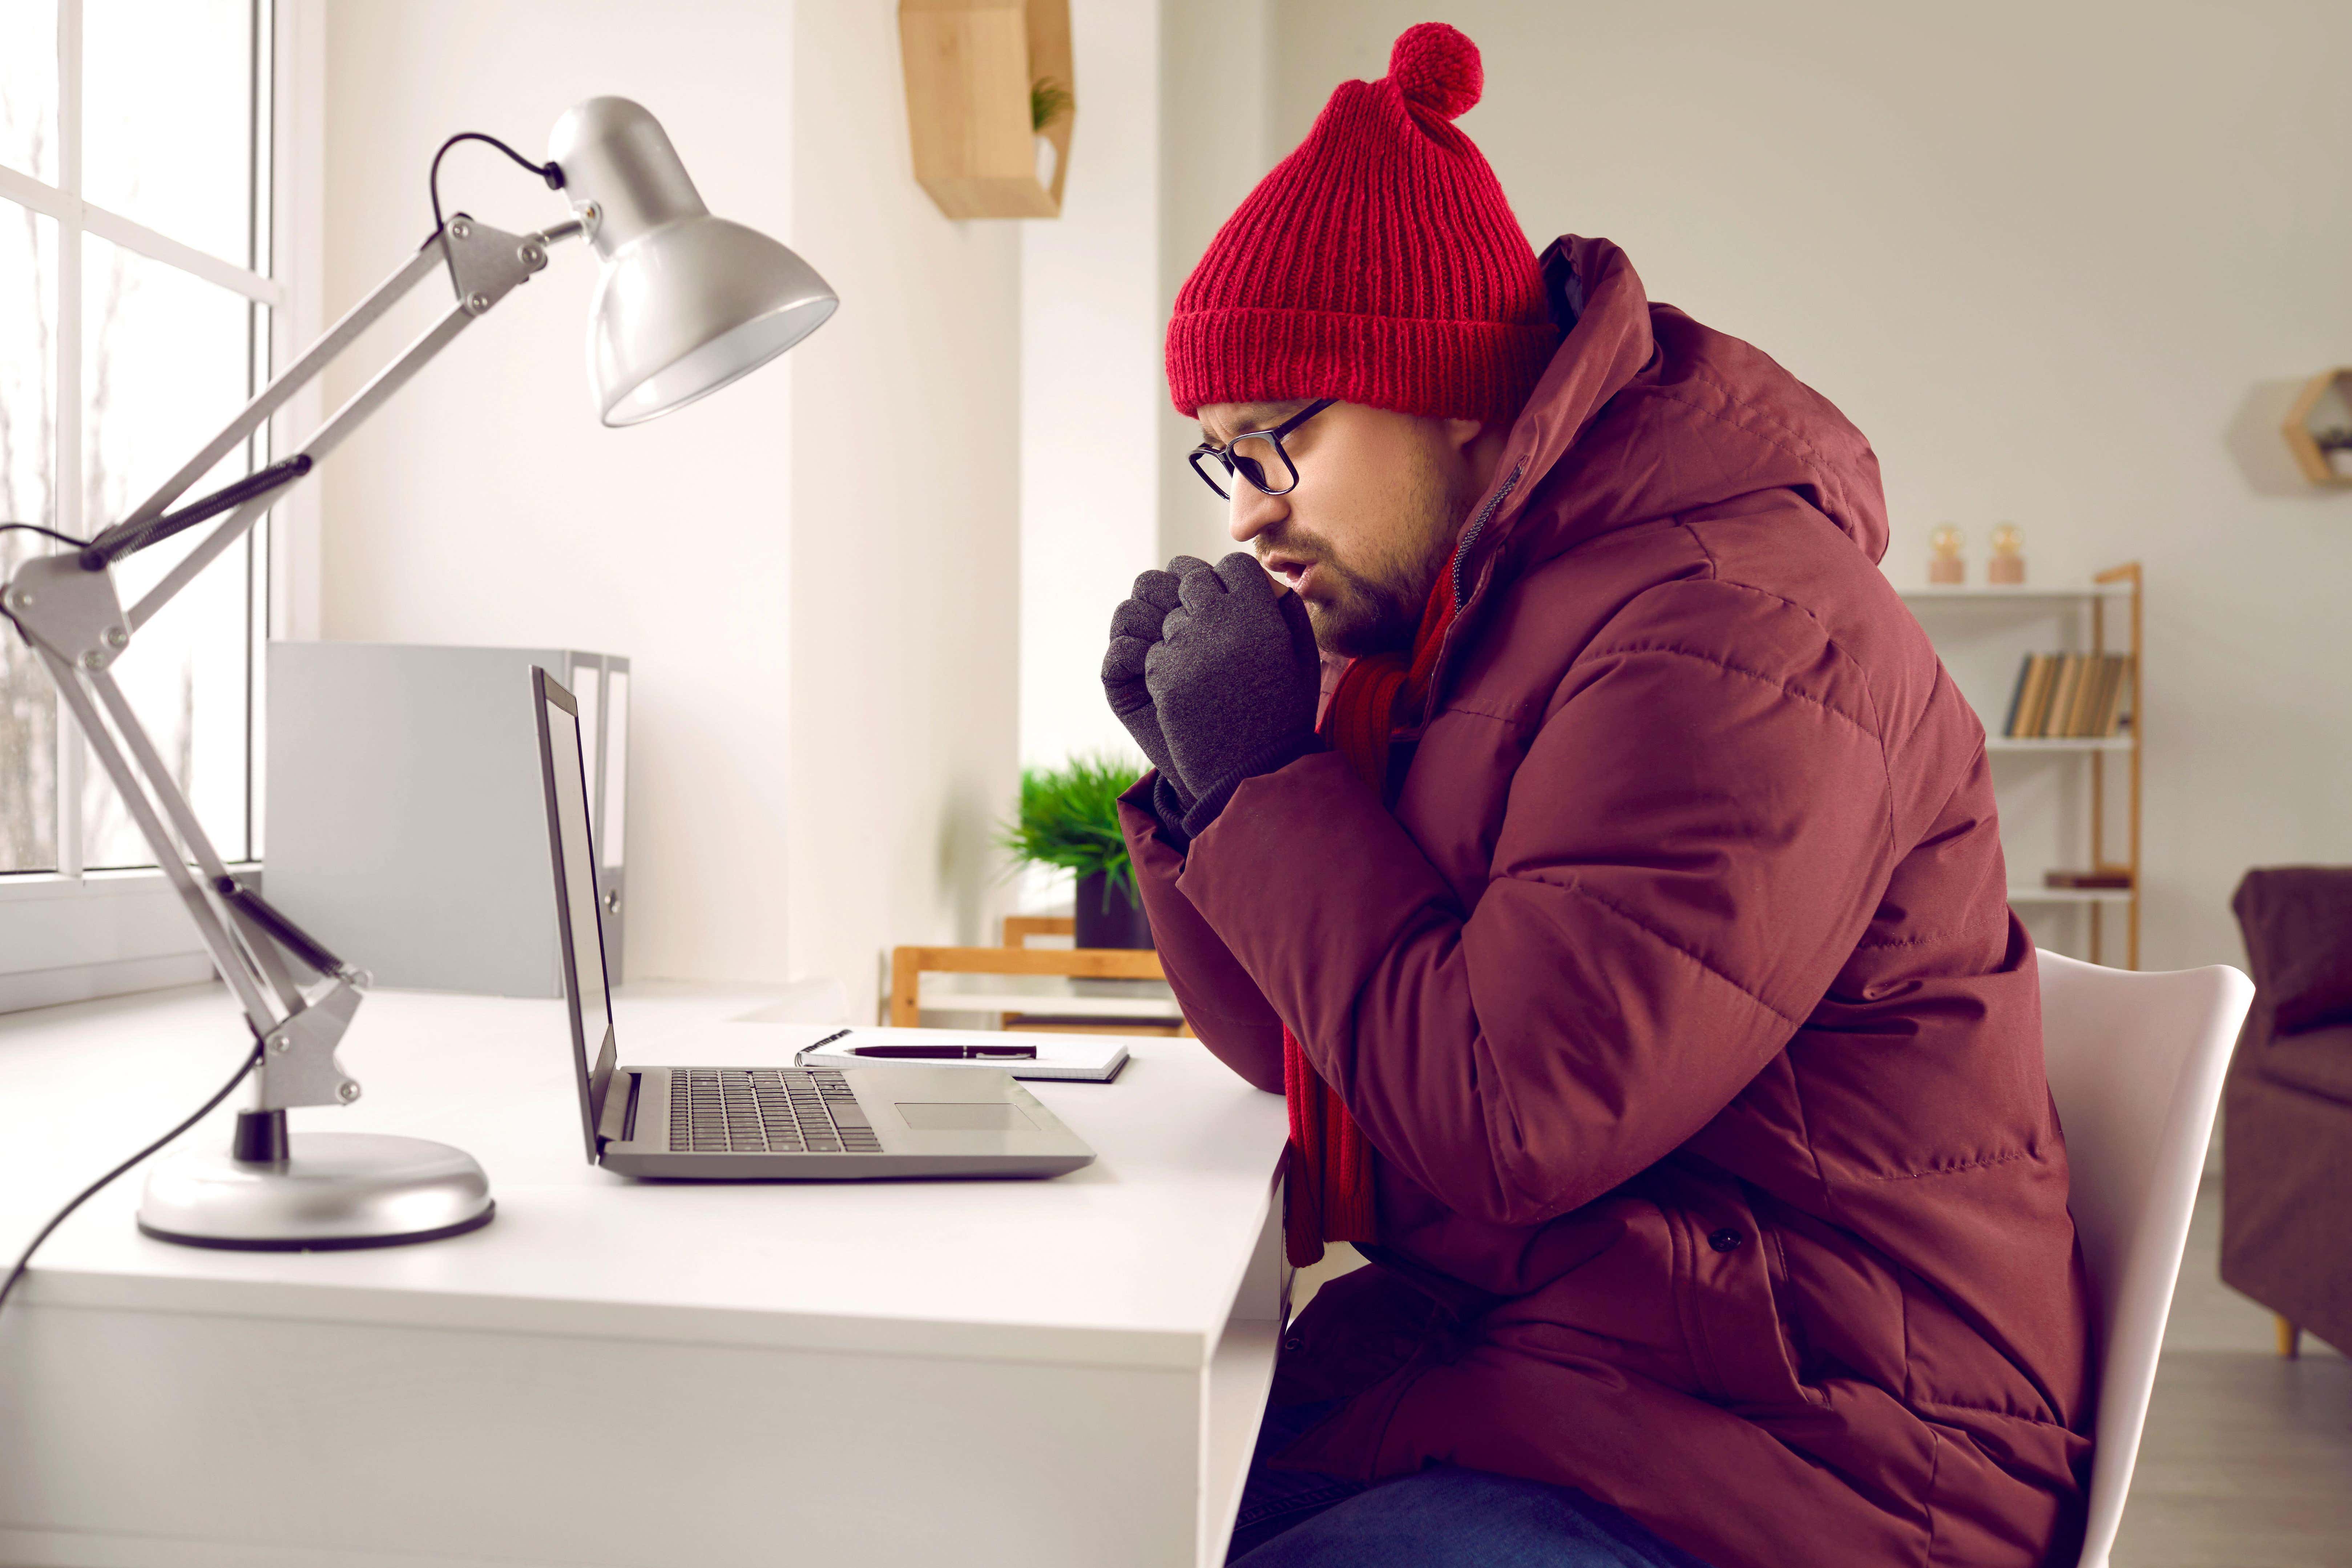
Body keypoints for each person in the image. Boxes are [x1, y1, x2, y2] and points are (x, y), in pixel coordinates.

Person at [1100, 23, 2092, 1568]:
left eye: (1276, 440)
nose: (1250, 515)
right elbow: (1315, 1061)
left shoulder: (1733, 629)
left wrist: (1272, 780)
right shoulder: (1456, 627)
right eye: (1217, 460)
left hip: (1812, 1452)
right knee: (1057, 1488)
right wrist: (1202, 794)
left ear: (1446, 395)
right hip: (1578, 1370)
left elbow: (1510, 1115)